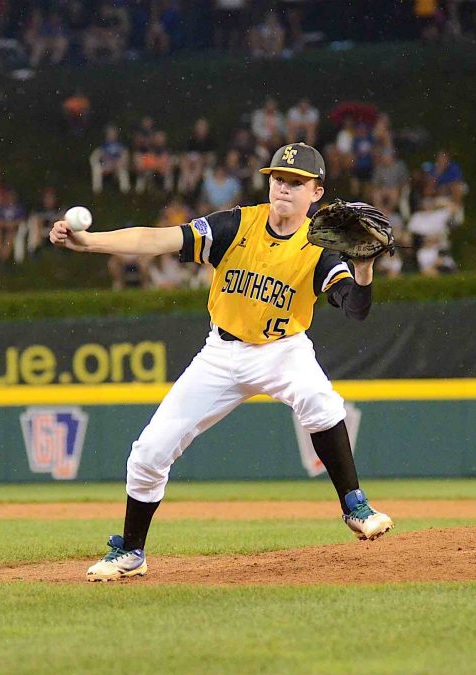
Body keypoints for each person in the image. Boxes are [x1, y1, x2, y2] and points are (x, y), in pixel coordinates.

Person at [50, 142, 394, 582]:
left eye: (296, 183)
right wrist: (90, 243)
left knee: (321, 402)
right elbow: (159, 239)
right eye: (278, 179)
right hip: (221, 353)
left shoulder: (321, 247)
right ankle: (132, 552)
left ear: (317, 193)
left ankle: (354, 505)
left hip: (282, 350)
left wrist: (363, 271)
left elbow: (355, 308)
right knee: (148, 452)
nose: (284, 189)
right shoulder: (236, 224)